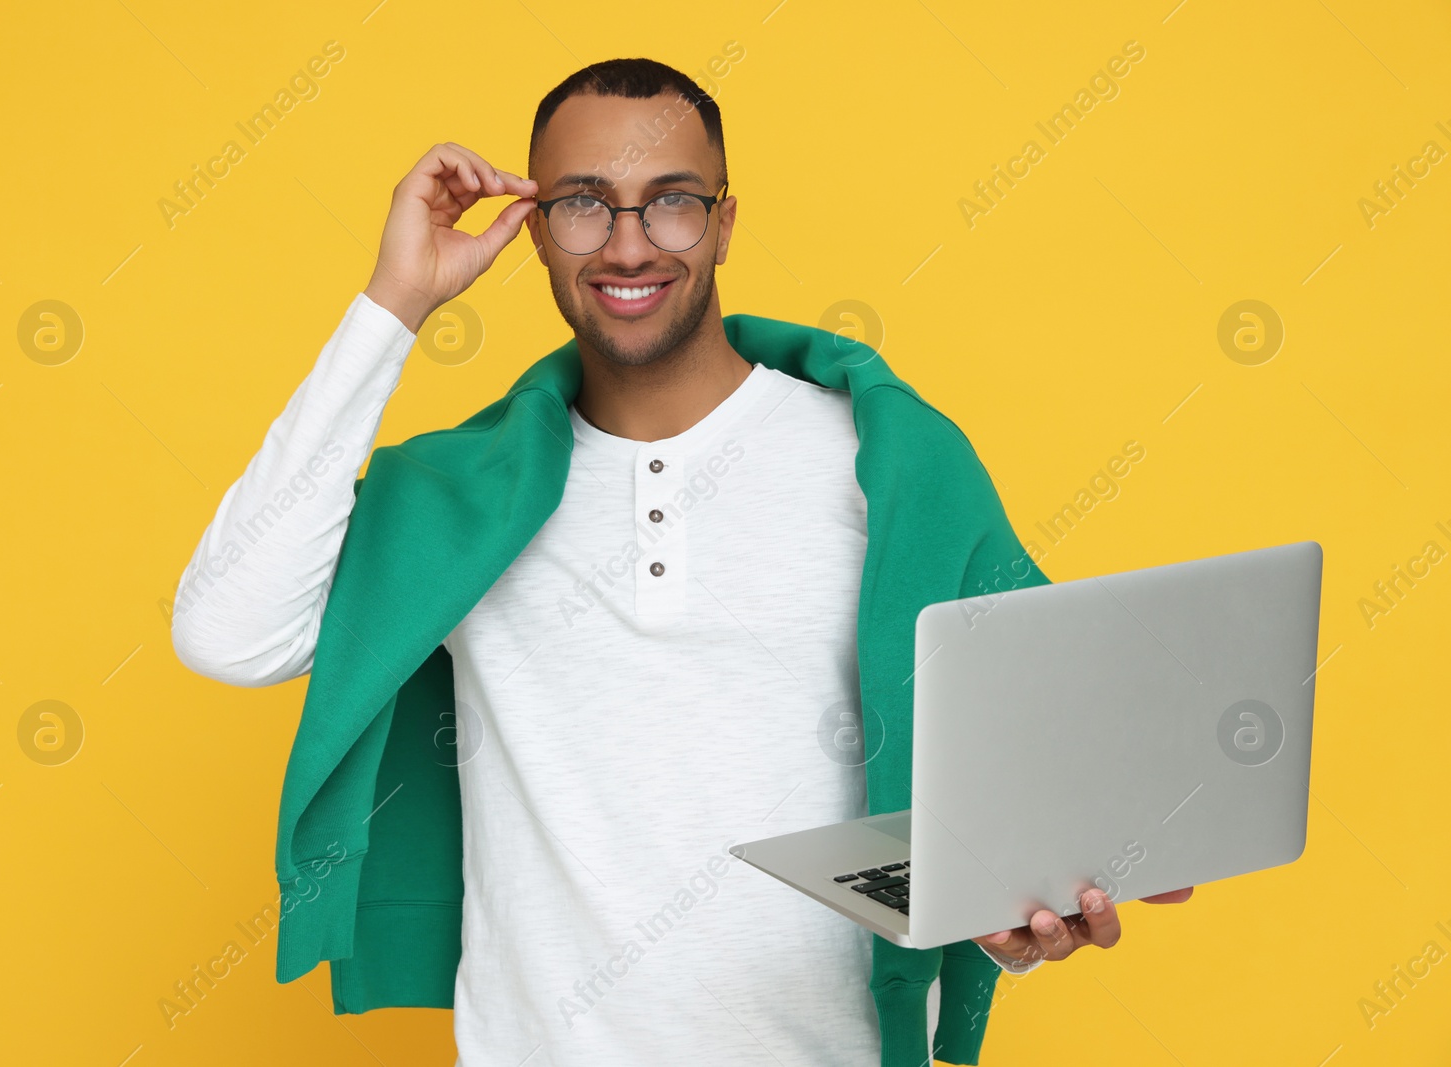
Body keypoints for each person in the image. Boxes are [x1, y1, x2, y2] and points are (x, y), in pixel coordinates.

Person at [172, 57, 1190, 1066]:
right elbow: (227, 632)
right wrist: (393, 304)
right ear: (530, 227)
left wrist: (1023, 910)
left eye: (671, 204)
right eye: (582, 203)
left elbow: (1031, 768)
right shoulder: (461, 498)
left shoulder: (887, 461)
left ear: (726, 222)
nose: (626, 244)